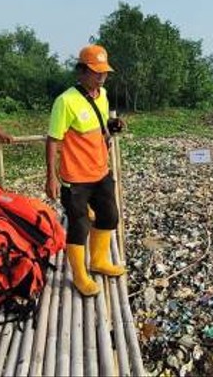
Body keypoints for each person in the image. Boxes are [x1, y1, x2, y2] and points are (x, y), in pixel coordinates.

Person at [45, 44, 125, 297]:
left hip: (101, 170)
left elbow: (98, 126)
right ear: (82, 71)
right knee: (79, 225)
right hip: (75, 177)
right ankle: (79, 275)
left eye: (104, 72)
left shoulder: (102, 95)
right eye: (96, 71)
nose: (101, 76)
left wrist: (111, 126)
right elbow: (53, 140)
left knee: (110, 216)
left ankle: (98, 261)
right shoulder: (65, 101)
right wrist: (51, 176)